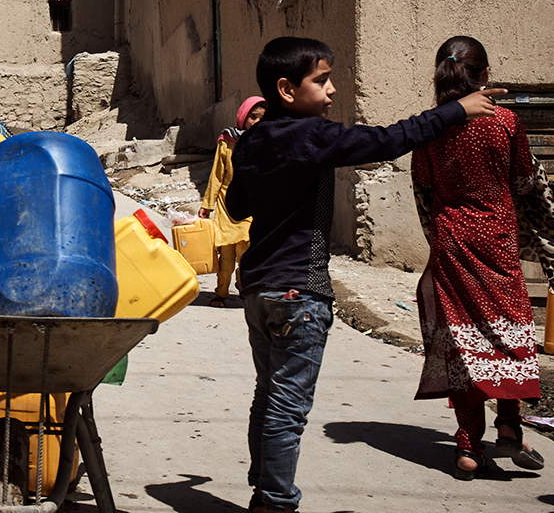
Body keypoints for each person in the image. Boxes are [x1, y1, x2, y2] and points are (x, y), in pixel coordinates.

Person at [225, 36, 503, 513]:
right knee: (288, 406)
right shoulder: (313, 135)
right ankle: (274, 500)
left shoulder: (251, 142)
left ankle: (264, 487)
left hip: (257, 290)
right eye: (322, 80)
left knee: (268, 396)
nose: (332, 90)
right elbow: (390, 138)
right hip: (300, 292)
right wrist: (458, 110)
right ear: (287, 89)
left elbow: (235, 206)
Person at [412, 35, 544, 480]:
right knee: (507, 333)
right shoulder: (506, 122)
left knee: (464, 342)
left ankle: (469, 448)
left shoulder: (431, 127)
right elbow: (525, 182)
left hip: (451, 242)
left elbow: (425, 187)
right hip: (498, 241)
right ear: (485, 74)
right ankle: (509, 425)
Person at [199, 95, 265, 306]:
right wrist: (207, 205)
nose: (257, 123)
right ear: (243, 117)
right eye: (252, 117)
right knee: (225, 257)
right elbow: (217, 175)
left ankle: (245, 288)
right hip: (227, 207)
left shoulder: (266, 143)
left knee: (246, 254)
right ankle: (221, 293)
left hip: (251, 207)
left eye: (262, 118)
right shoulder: (227, 142)